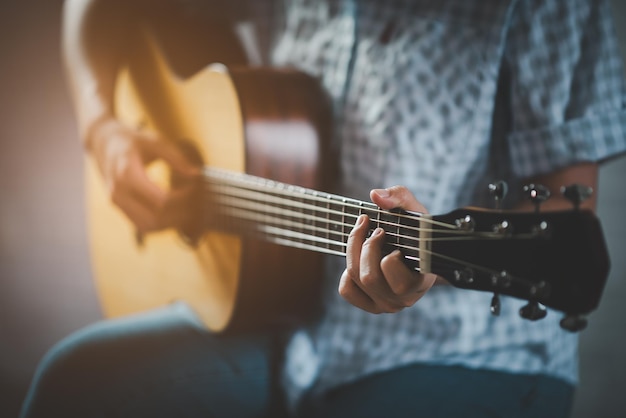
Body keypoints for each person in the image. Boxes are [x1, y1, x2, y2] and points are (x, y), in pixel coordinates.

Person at [20, 0, 626, 417]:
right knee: (74, 384)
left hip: (465, 352)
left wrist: (430, 258)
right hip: (283, 321)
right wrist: (103, 129)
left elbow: (562, 210)